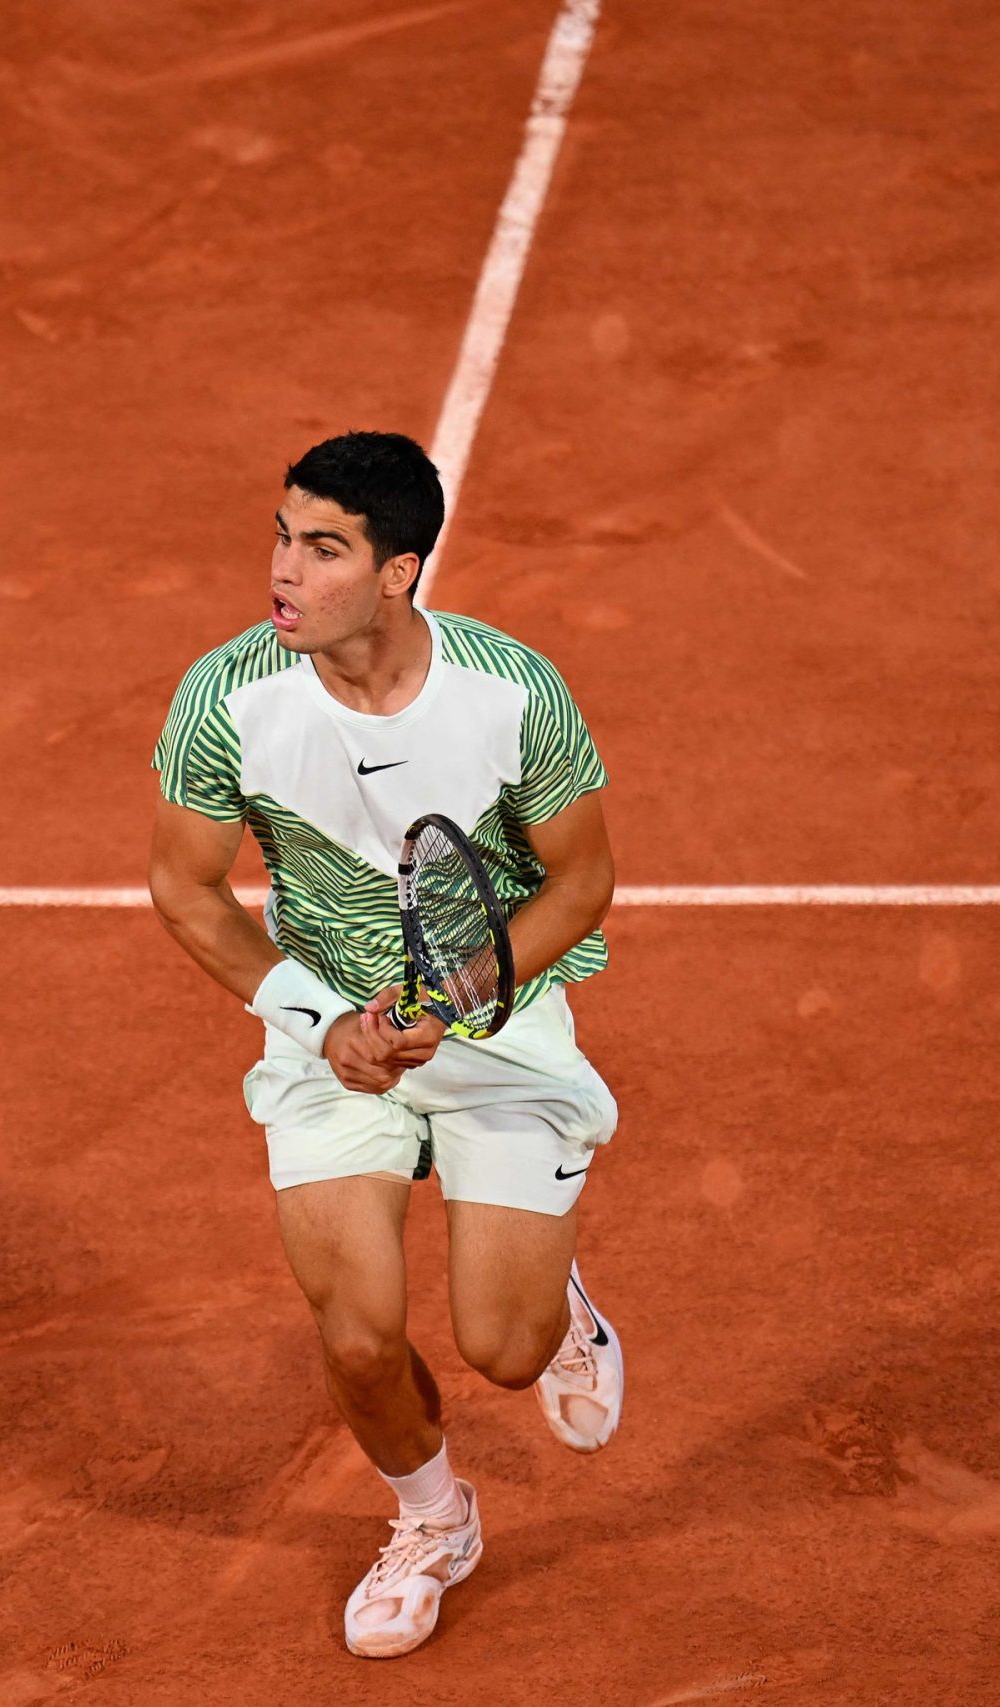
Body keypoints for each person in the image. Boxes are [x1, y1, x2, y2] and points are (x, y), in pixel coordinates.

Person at [146, 431, 625, 1658]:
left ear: (399, 571)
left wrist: (460, 995)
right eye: (280, 536)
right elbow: (186, 890)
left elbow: (580, 880)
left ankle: (555, 1302)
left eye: (321, 548)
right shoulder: (227, 697)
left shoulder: (513, 689)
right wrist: (322, 1023)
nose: (283, 573)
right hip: (329, 1032)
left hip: (495, 1027)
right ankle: (432, 1520)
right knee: (356, 1335)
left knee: (503, 1352)